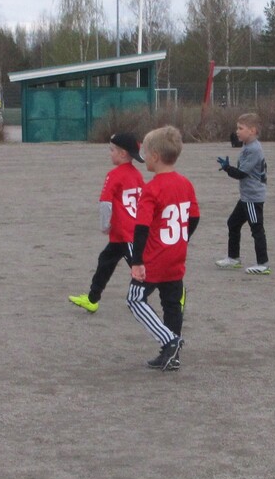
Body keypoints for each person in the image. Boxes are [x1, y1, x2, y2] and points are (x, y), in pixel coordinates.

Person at [126, 126, 200, 371]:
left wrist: (137, 261)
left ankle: (170, 341)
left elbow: (141, 227)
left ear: (155, 156)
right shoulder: (185, 183)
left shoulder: (152, 188)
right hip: (176, 254)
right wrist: (182, 239)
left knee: (135, 299)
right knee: (172, 304)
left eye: (145, 153)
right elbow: (194, 217)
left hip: (154, 257)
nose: (144, 158)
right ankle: (172, 356)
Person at [68, 132, 145, 314]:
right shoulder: (137, 174)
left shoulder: (114, 175)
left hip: (128, 233)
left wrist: (105, 225)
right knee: (105, 261)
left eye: (112, 150)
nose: (110, 153)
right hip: (121, 234)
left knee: (141, 269)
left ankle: (174, 290)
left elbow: (105, 203)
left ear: (123, 153)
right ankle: (92, 299)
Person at [214, 112, 270, 275]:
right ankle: (233, 258)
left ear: (252, 130)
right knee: (233, 223)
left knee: (257, 229)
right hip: (246, 196)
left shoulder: (254, 149)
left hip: (252, 197)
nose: (237, 131)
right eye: (237, 128)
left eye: (240, 128)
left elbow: (241, 174)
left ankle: (263, 264)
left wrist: (227, 168)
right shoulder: (247, 146)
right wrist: (228, 168)